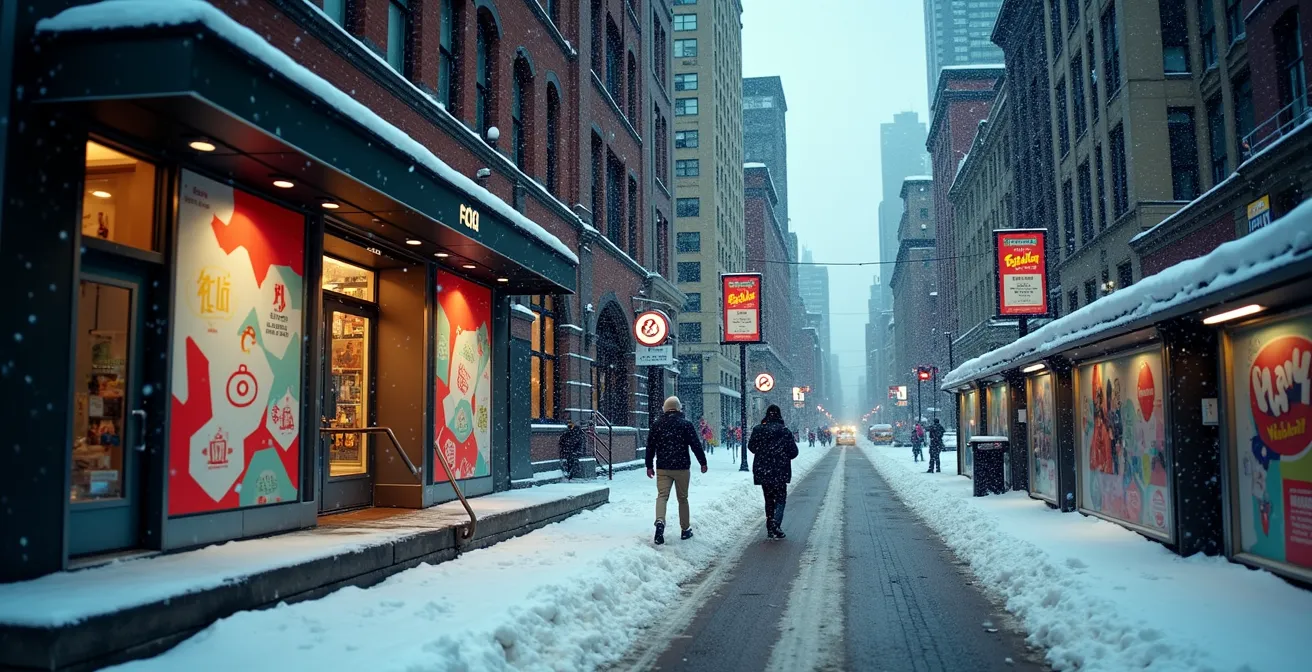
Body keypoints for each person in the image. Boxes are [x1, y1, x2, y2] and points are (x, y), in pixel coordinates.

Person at [647, 396, 708, 545]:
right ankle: (685, 529)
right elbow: (695, 445)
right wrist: (703, 462)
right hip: (681, 467)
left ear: (665, 409)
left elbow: (650, 446)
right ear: (679, 408)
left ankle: (660, 521)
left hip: (663, 467)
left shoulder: (657, 425)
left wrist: (649, 465)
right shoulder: (686, 424)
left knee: (662, 496)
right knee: (682, 499)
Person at [748, 405, 800, 539]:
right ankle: (775, 522)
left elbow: (751, 447)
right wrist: (782, 454)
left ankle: (770, 525)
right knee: (781, 498)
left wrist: (763, 452)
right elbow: (794, 452)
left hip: (763, 470)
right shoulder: (785, 431)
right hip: (780, 470)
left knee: (769, 498)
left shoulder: (759, 430)